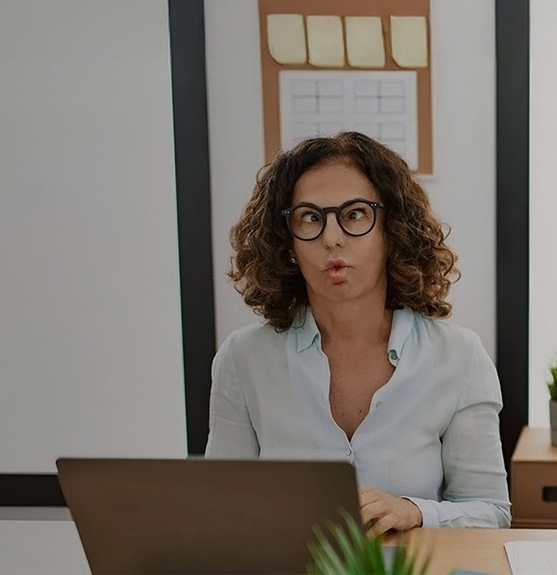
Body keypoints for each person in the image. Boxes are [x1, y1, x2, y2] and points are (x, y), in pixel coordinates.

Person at [207, 132, 510, 533]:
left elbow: (492, 512)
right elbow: (219, 511)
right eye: (310, 218)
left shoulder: (459, 355)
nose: (332, 238)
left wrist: (416, 512)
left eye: (354, 214)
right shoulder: (242, 358)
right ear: (288, 245)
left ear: (391, 232)